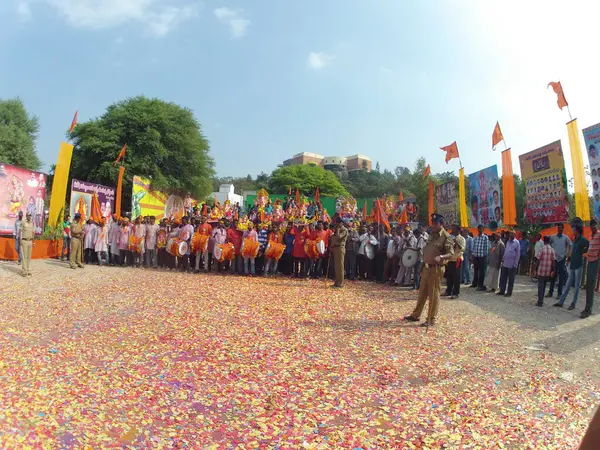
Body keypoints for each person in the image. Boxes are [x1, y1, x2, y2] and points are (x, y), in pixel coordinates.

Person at [403, 213, 454, 327]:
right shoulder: (431, 235)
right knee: (422, 293)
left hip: (436, 269)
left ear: (441, 224)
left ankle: (431, 319)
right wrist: (422, 266)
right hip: (426, 268)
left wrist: (441, 257)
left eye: (436, 224)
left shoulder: (446, 237)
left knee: (433, 295)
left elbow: (451, 253)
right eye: (433, 223)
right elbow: (427, 251)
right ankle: (416, 315)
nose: (433, 226)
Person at [554, 224, 588, 310]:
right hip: (572, 264)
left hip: (579, 265)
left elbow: (588, 246)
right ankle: (561, 301)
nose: (572, 230)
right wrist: (569, 258)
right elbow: (572, 250)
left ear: (577, 230)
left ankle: (573, 303)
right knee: (568, 284)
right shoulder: (575, 239)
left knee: (577, 285)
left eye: (573, 229)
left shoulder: (583, 239)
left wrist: (584, 253)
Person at [546, 223, 572, 299]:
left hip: (562, 258)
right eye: (558, 228)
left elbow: (570, 244)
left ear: (563, 229)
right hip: (554, 259)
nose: (559, 229)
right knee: (553, 275)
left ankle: (559, 294)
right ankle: (550, 292)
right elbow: (549, 243)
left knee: (561, 277)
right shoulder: (553, 237)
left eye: (561, 228)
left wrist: (568, 255)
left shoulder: (566, 237)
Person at [583, 220, 600, 319]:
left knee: (591, 285)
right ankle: (587, 308)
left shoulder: (599, 234)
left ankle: (588, 310)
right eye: (592, 226)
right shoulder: (590, 235)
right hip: (590, 260)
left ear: (596, 226)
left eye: (594, 226)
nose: (593, 227)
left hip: (595, 261)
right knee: (588, 285)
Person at [444, 224, 465, 299]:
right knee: (449, 276)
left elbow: (462, 249)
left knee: (456, 277)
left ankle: (456, 293)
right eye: (452, 228)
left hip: (457, 260)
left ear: (458, 230)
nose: (452, 230)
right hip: (450, 259)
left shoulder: (462, 239)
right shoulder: (450, 237)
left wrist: (456, 241)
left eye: (454, 229)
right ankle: (448, 291)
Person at [497, 231, 520, 297]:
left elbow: (518, 254)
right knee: (503, 278)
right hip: (505, 263)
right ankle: (502, 291)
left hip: (512, 264)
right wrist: (503, 260)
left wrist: (515, 264)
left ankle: (509, 292)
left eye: (512, 233)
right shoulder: (508, 242)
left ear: (515, 235)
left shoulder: (517, 243)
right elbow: (506, 251)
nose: (510, 234)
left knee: (511, 279)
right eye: (510, 233)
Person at [535, 236, 556, 307]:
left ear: (544, 241)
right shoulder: (552, 250)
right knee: (544, 286)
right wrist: (553, 271)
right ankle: (541, 300)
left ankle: (540, 301)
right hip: (547, 271)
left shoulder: (541, 249)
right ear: (549, 241)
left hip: (541, 270)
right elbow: (553, 262)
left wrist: (535, 269)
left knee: (540, 286)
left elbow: (538, 260)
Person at [470, 225, 489, 291]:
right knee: (475, 271)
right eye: (478, 229)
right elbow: (474, 247)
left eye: (481, 229)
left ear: (483, 229)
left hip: (483, 257)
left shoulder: (485, 237)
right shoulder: (475, 237)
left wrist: (484, 257)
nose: (479, 230)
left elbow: (486, 249)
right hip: (476, 256)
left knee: (482, 272)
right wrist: (473, 256)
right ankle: (475, 283)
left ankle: (481, 285)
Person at [330, 217, 348, 288]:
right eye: (336, 223)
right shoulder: (337, 229)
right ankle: (337, 282)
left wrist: (337, 230)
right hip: (336, 248)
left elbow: (338, 237)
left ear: (341, 223)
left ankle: (340, 283)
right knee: (336, 266)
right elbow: (333, 238)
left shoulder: (344, 230)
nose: (337, 224)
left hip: (340, 248)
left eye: (338, 223)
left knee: (340, 266)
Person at [20, 211, 34, 276]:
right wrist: (20, 239)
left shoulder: (32, 223)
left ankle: (28, 270)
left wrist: (33, 241)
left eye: (30, 215)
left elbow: (33, 232)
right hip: (24, 241)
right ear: (26, 215)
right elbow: (20, 231)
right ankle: (24, 271)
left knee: (29, 257)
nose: (29, 216)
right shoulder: (23, 222)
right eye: (28, 215)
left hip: (30, 241)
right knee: (24, 256)